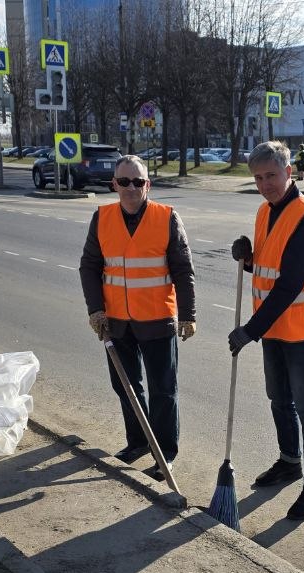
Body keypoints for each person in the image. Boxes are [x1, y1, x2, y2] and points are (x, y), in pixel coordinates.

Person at [228, 141, 304, 521]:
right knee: (278, 398)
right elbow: (269, 266)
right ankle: (290, 461)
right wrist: (248, 259)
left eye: (271, 175)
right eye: (258, 178)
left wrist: (250, 330)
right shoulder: (265, 211)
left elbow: (290, 283)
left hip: (301, 329)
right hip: (273, 326)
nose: (265, 184)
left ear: (289, 172)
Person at [79, 155, 196, 478]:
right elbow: (89, 266)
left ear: (148, 185)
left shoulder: (167, 217)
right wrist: (95, 309)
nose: (131, 188)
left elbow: (183, 270)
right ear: (114, 184)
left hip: (157, 319)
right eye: (124, 181)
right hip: (116, 321)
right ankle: (139, 442)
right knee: (125, 386)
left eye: (138, 181)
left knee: (163, 390)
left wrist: (188, 315)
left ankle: (164, 453)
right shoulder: (102, 218)